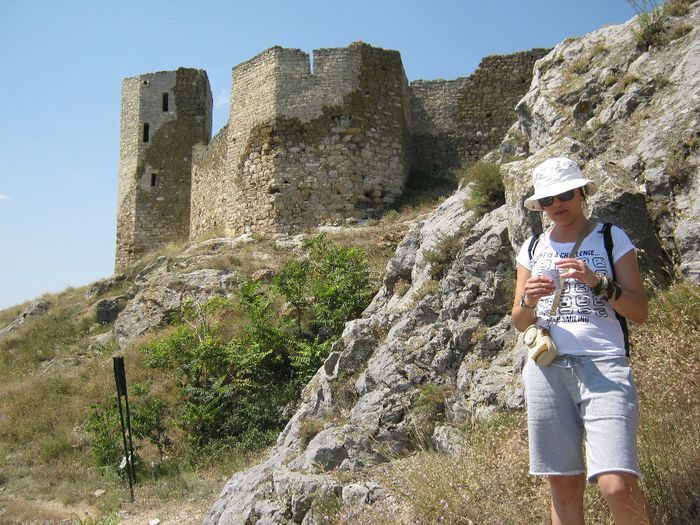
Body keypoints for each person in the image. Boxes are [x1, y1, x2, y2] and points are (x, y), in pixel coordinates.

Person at [511, 157, 652, 525]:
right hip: (546, 370)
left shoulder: (610, 236)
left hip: (604, 367)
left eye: (565, 195)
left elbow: (639, 310)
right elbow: (518, 320)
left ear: (582, 193)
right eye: (547, 201)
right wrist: (530, 300)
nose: (557, 206)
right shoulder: (533, 246)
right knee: (565, 487)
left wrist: (598, 282)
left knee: (616, 485)